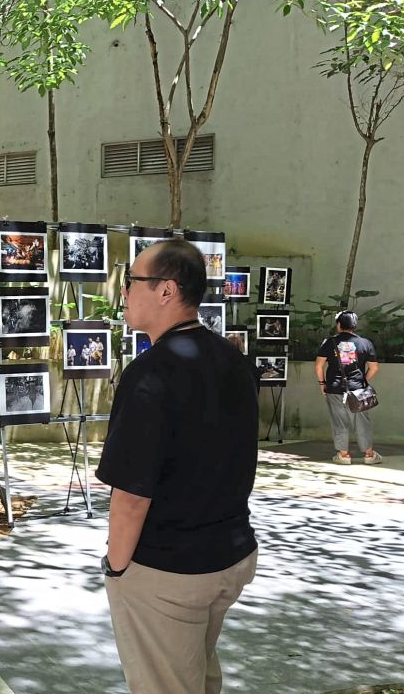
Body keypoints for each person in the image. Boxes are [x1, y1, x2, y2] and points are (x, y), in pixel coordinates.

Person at [97, 240, 259, 694]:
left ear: (166, 290)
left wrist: (117, 567)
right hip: (229, 554)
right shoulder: (232, 358)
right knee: (197, 677)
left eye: (132, 281)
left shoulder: (150, 373)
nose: (124, 292)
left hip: (169, 570)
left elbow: (130, 496)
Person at [315, 310, 381, 465]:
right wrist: (362, 380)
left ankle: (344, 455)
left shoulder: (329, 342)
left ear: (338, 325)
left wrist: (322, 383)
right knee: (362, 422)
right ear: (354, 325)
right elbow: (374, 368)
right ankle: (369, 454)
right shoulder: (365, 343)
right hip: (359, 390)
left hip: (335, 388)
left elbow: (319, 366)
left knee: (339, 421)